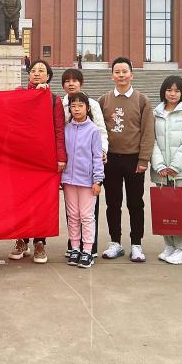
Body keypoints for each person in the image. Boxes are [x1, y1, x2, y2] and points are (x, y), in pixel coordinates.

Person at [9, 59, 67, 264]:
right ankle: (22, 240)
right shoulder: (19, 93)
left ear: (48, 76)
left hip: (44, 158)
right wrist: (33, 95)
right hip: (22, 158)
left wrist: (61, 157)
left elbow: (59, 130)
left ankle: (40, 243)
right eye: (33, 70)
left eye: (41, 70)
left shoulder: (54, 100)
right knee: (21, 200)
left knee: (42, 201)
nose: (36, 73)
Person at [98, 57, 154, 263]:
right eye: (117, 72)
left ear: (132, 74)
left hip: (134, 160)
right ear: (112, 75)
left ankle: (136, 244)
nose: (121, 75)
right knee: (113, 203)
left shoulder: (142, 100)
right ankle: (115, 242)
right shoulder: (104, 100)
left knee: (135, 203)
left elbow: (148, 132)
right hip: (110, 159)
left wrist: (144, 159)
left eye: (124, 71)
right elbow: (99, 130)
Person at [150, 75, 182, 265]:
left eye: (177, 91)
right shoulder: (155, 113)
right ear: (163, 91)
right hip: (162, 172)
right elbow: (151, 140)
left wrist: (175, 166)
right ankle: (170, 246)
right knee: (165, 208)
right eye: (169, 90)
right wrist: (160, 165)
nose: (173, 94)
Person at [60, 68, 107, 260]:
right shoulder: (65, 123)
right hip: (69, 178)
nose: (76, 109)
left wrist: (98, 179)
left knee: (87, 216)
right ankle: (75, 247)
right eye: (67, 81)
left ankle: (88, 249)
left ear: (87, 108)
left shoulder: (93, 127)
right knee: (73, 215)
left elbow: (98, 149)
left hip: (87, 179)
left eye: (80, 106)